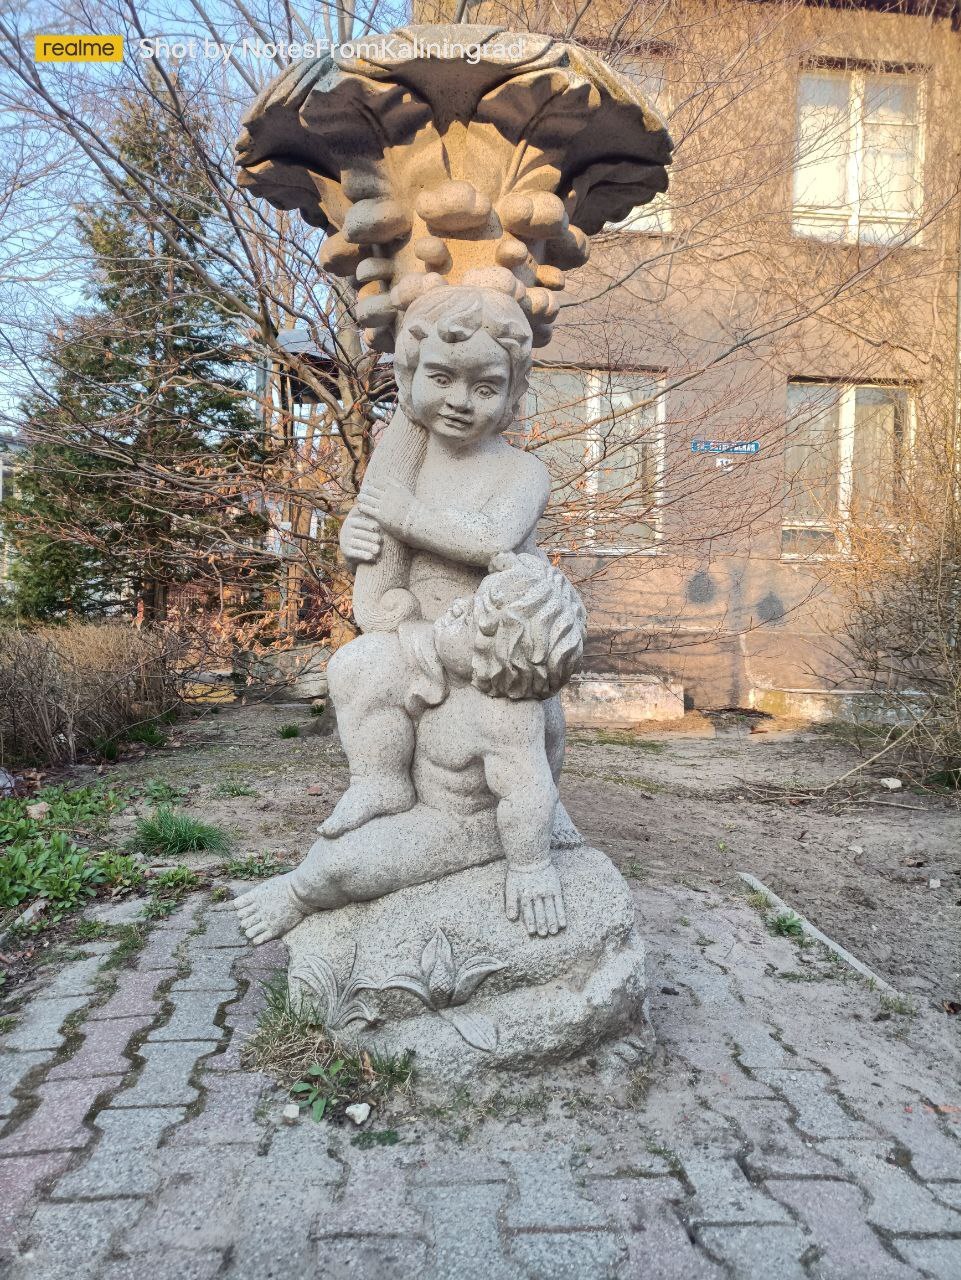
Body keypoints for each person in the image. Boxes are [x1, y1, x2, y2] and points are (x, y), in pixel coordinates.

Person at [235, 553, 586, 945]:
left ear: (498, 660)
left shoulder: (506, 715)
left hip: (460, 819)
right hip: (428, 781)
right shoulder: (455, 659)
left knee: (337, 865)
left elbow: (528, 793)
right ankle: (381, 783)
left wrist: (531, 869)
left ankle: (296, 897)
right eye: (472, 599)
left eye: (472, 617)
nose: (459, 605)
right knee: (361, 659)